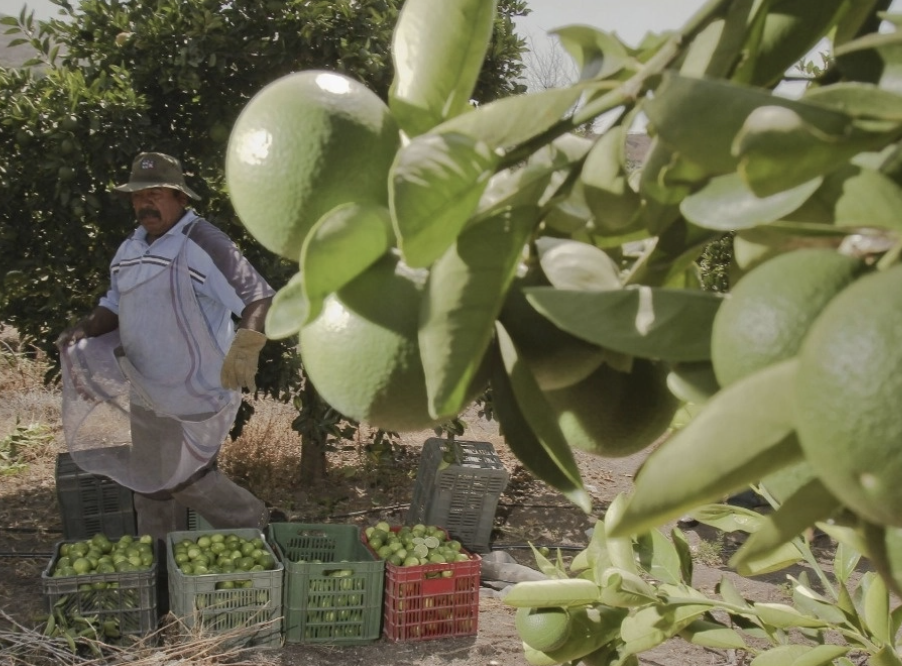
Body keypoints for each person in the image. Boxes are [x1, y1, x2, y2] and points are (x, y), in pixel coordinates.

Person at [56, 151, 277, 543]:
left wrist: (248, 342)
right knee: (151, 488)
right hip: (146, 390)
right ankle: (161, 571)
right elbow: (114, 305)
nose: (146, 203)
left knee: (190, 480)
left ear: (181, 198)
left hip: (194, 392)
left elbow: (257, 297)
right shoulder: (130, 248)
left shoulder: (203, 242)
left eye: (157, 194)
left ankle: (262, 524)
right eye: (139, 196)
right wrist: (84, 330)